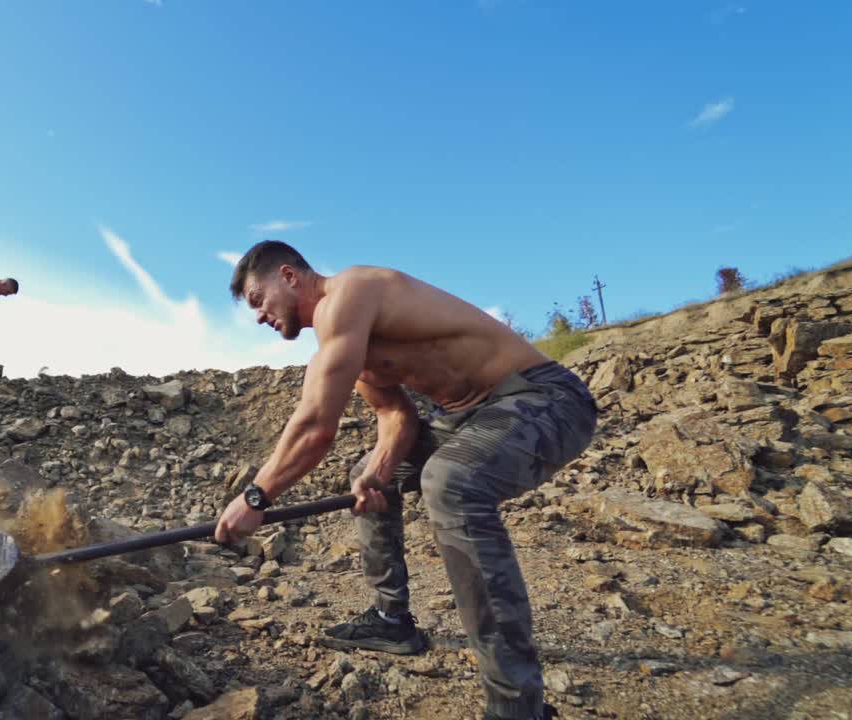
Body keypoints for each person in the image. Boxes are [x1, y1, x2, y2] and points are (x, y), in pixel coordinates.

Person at [214, 240, 596, 720]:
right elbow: (396, 417)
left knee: (449, 481)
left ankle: (518, 706)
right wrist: (378, 472)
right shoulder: (345, 343)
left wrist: (256, 495)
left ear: (289, 276)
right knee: (367, 473)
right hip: (466, 417)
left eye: (257, 300)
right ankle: (392, 619)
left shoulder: (351, 292)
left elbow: (316, 426)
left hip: (546, 399)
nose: (258, 316)